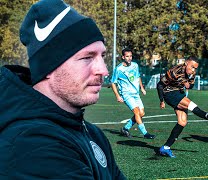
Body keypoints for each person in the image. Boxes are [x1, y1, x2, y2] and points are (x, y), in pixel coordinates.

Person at [0, 0, 126, 179]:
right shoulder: (31, 144)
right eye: (87, 57)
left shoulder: (92, 134)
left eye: (102, 56)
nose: (104, 70)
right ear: (49, 67)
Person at [156, 56, 208, 158]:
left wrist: (188, 83)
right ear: (186, 63)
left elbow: (191, 85)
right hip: (169, 93)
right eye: (192, 67)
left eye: (195, 68)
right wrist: (161, 100)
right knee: (193, 106)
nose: (193, 70)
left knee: (182, 122)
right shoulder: (174, 71)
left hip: (179, 93)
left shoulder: (192, 73)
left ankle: (165, 147)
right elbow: (160, 85)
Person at [111, 48, 155, 139]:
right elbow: (113, 83)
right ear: (123, 57)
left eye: (130, 56)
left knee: (141, 113)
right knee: (136, 112)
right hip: (126, 94)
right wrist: (117, 96)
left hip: (136, 93)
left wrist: (142, 88)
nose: (129, 58)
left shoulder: (135, 65)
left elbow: (138, 77)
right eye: (127, 56)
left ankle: (125, 128)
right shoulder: (118, 69)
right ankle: (145, 133)